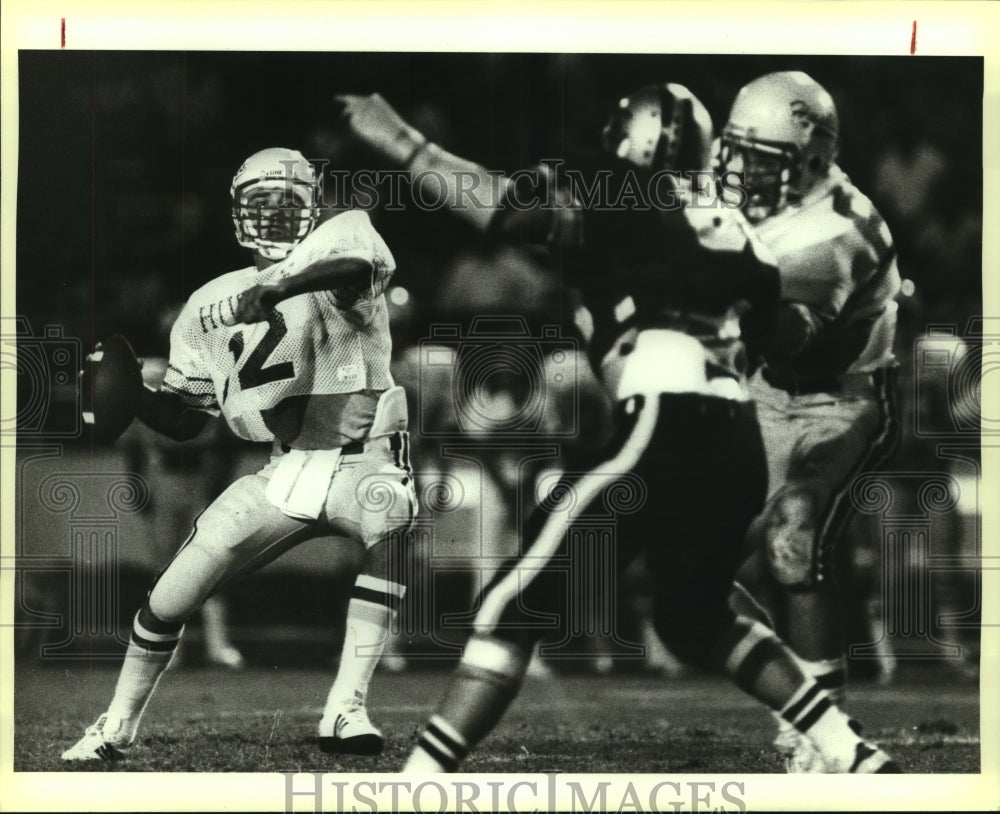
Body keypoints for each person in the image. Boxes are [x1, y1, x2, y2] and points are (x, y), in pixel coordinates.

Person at [335, 84, 900, 773]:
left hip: (665, 420)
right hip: (735, 439)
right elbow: (766, 334)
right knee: (695, 617)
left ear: (633, 142)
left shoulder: (629, 196)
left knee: (507, 606)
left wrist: (397, 137)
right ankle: (850, 753)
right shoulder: (743, 232)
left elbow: (499, 209)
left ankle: (420, 780)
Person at [62, 147, 417, 761]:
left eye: (287, 200)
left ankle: (345, 709)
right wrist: (134, 400)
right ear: (236, 212)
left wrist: (279, 286)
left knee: (389, 514)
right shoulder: (207, 303)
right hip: (282, 468)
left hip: (364, 458)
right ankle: (115, 725)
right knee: (173, 592)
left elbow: (357, 267)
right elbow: (185, 422)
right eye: (260, 202)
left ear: (313, 202)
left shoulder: (342, 237)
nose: (275, 214)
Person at [717, 71, 902, 771]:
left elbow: (786, 334)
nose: (738, 173)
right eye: (736, 152)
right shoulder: (741, 197)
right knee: (691, 562)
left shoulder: (834, 233)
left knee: (794, 532)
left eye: (762, 161)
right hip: (766, 394)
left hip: (846, 400)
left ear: (814, 157)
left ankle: (820, 740)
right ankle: (807, 708)